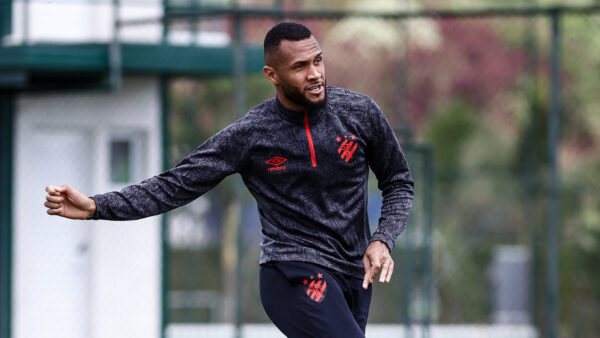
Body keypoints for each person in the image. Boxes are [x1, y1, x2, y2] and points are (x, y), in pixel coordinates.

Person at [45, 22, 414, 338]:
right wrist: (97, 206)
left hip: (353, 275)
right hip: (293, 271)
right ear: (272, 75)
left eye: (318, 61)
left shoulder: (360, 113)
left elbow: (398, 181)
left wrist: (382, 238)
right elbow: (175, 184)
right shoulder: (251, 134)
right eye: (300, 66)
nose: (315, 73)